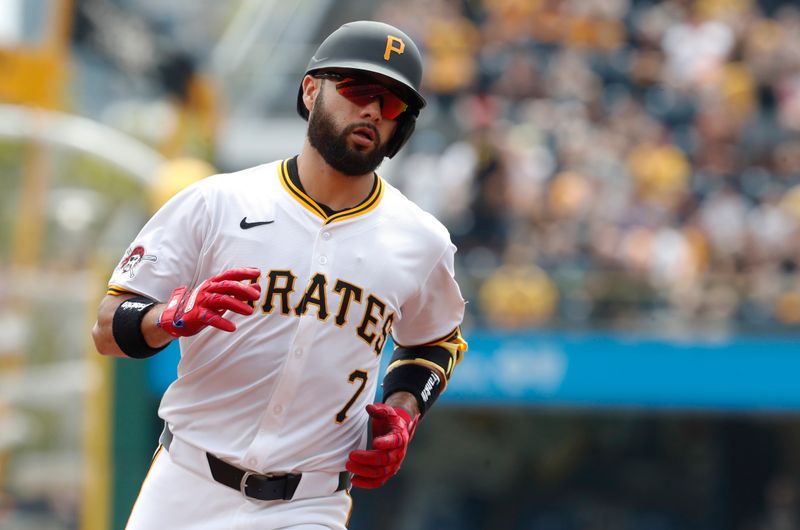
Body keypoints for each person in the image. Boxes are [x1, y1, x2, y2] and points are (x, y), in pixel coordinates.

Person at [91, 20, 467, 529]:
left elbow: (434, 342)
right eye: (358, 88)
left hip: (310, 503)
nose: (373, 109)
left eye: (393, 102)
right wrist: (169, 317)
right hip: (187, 483)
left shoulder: (421, 241)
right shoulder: (217, 201)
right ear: (311, 90)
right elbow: (108, 328)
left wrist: (403, 411)